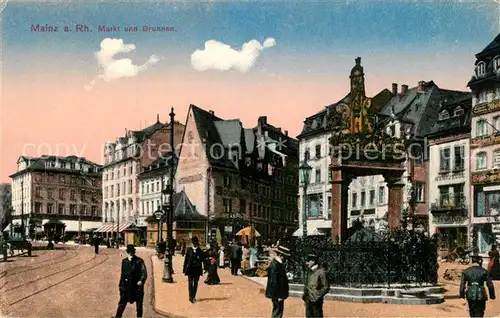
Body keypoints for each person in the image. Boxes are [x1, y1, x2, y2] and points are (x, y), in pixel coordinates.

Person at [114, 245, 147, 318]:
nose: (131, 254)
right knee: (122, 303)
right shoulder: (124, 261)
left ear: (134, 252)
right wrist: (120, 286)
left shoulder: (139, 261)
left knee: (139, 305)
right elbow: (122, 274)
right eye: (129, 252)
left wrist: (141, 280)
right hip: (126, 286)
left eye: (132, 252)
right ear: (127, 252)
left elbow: (144, 272)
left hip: (137, 287)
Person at [265, 245, 290, 318]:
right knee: (277, 311)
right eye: (284, 256)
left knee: (278, 310)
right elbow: (274, 281)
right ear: (281, 255)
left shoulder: (277, 263)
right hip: (277, 293)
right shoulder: (275, 264)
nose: (285, 258)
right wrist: (279, 295)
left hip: (278, 292)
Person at [183, 236, 205, 303]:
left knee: (195, 283)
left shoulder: (200, 251)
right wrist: (184, 269)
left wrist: (204, 269)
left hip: (197, 269)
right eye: (193, 242)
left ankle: (193, 296)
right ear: (192, 242)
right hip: (190, 269)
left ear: (197, 243)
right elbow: (186, 260)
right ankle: (191, 297)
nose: (194, 243)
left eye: (195, 242)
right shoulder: (189, 250)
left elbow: (203, 260)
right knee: (190, 283)